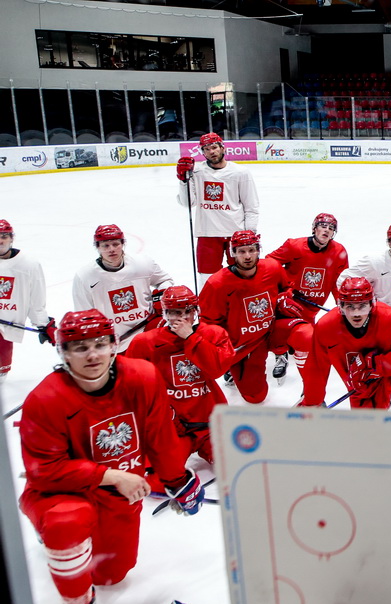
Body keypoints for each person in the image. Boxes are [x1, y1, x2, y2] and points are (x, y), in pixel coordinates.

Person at [19, 310, 205, 604]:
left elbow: (159, 435)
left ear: (114, 345)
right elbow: (44, 471)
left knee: (110, 575)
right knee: (66, 525)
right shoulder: (45, 399)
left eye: (100, 344)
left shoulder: (142, 377)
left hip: (118, 494)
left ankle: (68, 546)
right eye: (79, 347)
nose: (92, 355)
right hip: (60, 492)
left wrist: (178, 481)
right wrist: (113, 476)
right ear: (62, 353)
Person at [125, 285, 236, 465]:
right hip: (172, 425)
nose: (183, 318)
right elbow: (132, 386)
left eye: (188, 311)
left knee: (231, 464)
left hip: (209, 421)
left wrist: (191, 337)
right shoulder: (145, 342)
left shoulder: (214, 334)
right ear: (166, 313)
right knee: (160, 479)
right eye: (176, 312)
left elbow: (217, 370)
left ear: (196, 311)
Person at [199, 230, 313, 404]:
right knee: (255, 397)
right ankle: (236, 368)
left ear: (258, 250)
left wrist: (285, 297)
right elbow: (207, 323)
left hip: (272, 329)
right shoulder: (217, 284)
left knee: (306, 334)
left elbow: (286, 288)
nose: (247, 256)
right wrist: (224, 351)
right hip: (244, 345)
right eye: (242, 251)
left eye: (252, 250)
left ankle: (311, 391)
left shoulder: (272, 268)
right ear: (233, 253)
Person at [300, 277, 391, 411]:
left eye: (362, 306)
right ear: (341, 307)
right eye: (350, 306)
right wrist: (311, 404)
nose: (356, 313)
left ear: (371, 305)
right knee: (368, 428)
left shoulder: (390, 318)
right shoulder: (326, 327)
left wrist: (374, 363)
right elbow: (316, 368)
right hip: (360, 386)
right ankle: (386, 407)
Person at [266, 212, 350, 381]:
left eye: (331, 228)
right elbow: (269, 263)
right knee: (279, 331)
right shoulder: (294, 246)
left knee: (307, 340)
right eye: (323, 226)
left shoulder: (339, 251)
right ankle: (280, 355)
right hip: (290, 303)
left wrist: (343, 302)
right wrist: (283, 290)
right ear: (314, 228)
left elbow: (339, 280)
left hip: (313, 305)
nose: (327, 230)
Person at [71, 224, 173, 352]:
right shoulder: (85, 276)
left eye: (115, 244)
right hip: (113, 344)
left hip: (146, 333)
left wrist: (161, 296)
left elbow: (165, 280)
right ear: (97, 247)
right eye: (105, 246)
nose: (111, 249)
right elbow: (83, 315)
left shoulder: (143, 264)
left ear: (123, 243)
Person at [175, 132, 260, 284]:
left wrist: (250, 234)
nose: (211, 152)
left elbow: (251, 206)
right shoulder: (196, 172)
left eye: (214, 147)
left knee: (242, 277)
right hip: (207, 233)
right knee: (207, 279)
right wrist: (183, 180)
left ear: (223, 148)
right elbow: (187, 203)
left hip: (236, 234)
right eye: (206, 149)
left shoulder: (240, 172)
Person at [0, 219, 56, 381]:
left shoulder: (28, 265)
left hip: (6, 331)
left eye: (4, 236)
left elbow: (36, 300)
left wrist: (43, 324)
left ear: (12, 238)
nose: (0, 240)